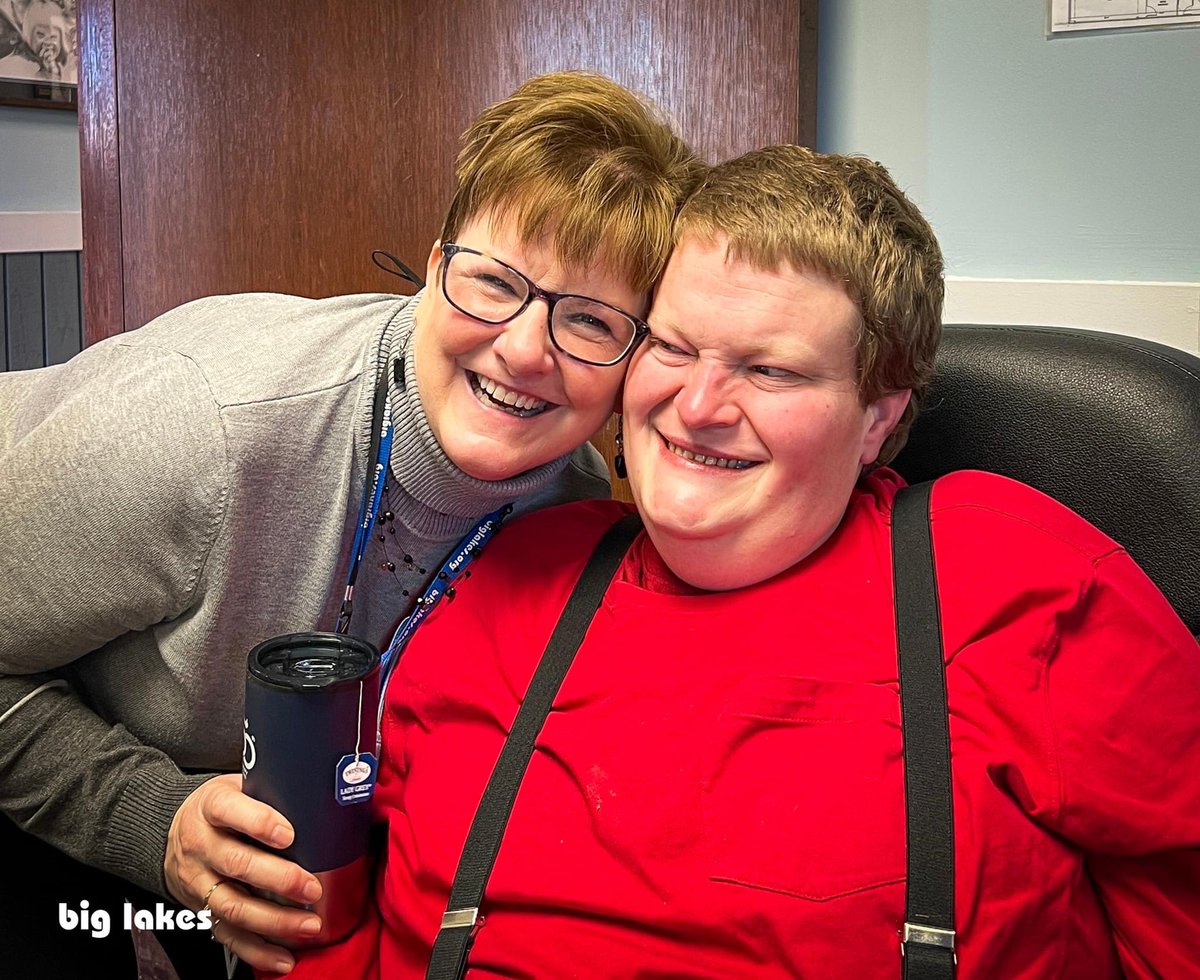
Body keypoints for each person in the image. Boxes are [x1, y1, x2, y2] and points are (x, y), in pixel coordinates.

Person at [282, 145, 1200, 978]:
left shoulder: (1007, 577)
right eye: (673, 347)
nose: (698, 407)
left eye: (771, 371)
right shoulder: (516, 564)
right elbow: (335, 909)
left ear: (877, 417)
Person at [0, 70, 702, 977]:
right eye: (493, 282)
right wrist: (152, 818)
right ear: (436, 265)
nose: (526, 350)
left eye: (592, 322)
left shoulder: (571, 504)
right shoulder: (209, 429)